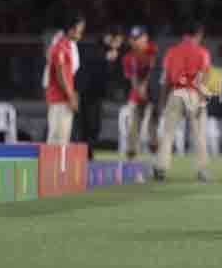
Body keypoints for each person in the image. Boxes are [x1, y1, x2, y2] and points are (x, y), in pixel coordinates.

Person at [153, 21, 212, 183]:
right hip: (194, 94)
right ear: (199, 35)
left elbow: (165, 80)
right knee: (199, 134)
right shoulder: (203, 52)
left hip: (176, 93)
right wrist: (203, 99)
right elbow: (207, 79)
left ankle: (161, 168)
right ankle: (202, 170)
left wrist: (162, 101)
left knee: (168, 133)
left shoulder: (172, 51)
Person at [75, 26, 124, 159]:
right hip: (87, 93)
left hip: (97, 95)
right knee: (88, 125)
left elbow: (110, 74)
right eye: (117, 40)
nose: (119, 44)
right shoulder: (97, 49)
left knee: (95, 126)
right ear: (111, 38)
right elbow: (90, 67)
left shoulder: (110, 52)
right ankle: (85, 154)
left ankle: (88, 152)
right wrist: (106, 58)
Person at [45, 16, 85, 144]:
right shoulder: (60, 47)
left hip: (65, 98)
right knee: (56, 139)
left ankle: (59, 165)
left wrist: (72, 95)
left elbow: (69, 74)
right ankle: (50, 165)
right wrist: (71, 95)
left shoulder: (69, 46)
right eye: (79, 30)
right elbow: (60, 75)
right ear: (71, 31)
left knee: (63, 140)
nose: (81, 34)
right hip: (58, 99)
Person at [123, 25, 159, 159]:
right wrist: (139, 90)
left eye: (138, 38)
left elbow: (152, 70)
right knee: (133, 125)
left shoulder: (152, 49)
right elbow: (132, 78)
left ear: (145, 38)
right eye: (133, 38)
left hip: (153, 94)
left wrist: (144, 86)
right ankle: (131, 156)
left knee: (152, 128)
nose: (135, 41)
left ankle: (156, 158)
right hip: (137, 95)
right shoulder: (128, 57)